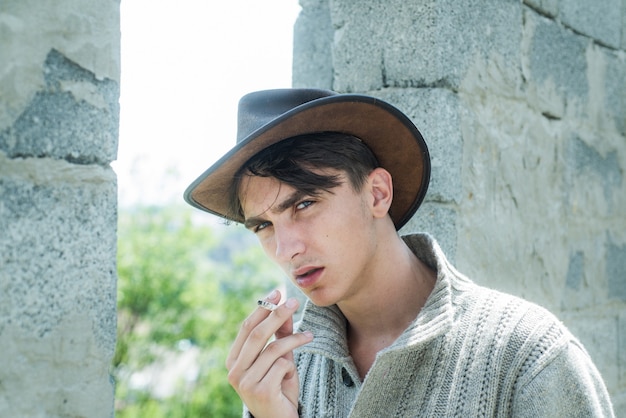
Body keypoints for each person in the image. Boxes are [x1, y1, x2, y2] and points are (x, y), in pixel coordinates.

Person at [184, 89, 614, 417]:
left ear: (376, 193)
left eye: (304, 205)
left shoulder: (525, 354)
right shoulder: (282, 372)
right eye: (263, 226)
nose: (286, 248)